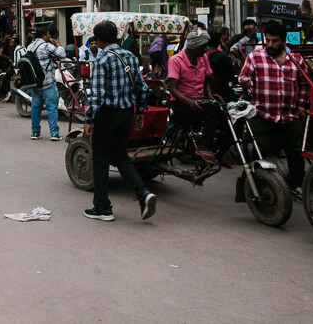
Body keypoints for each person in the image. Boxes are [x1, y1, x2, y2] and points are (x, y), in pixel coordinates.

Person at [83, 20, 157, 222]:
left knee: (101, 160)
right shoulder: (131, 57)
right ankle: (142, 193)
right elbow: (142, 87)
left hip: (107, 115)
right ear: (116, 36)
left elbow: (96, 95)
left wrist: (89, 120)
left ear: (97, 40)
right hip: (126, 113)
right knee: (121, 156)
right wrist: (141, 110)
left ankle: (102, 208)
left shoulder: (102, 60)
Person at [238, 22, 309, 194]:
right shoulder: (255, 57)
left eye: (275, 41)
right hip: (263, 114)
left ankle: (296, 186)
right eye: (267, 41)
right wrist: (246, 83)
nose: (270, 45)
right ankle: (255, 186)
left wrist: (301, 106)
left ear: (283, 41)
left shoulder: (296, 59)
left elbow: (304, 85)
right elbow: (243, 76)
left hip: (289, 115)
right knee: (261, 150)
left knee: (295, 153)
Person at [166, 28, 224, 161]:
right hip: (181, 102)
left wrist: (210, 94)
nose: (206, 49)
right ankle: (204, 146)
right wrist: (189, 102)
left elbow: (207, 79)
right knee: (213, 109)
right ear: (194, 46)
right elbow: (173, 88)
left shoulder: (203, 57)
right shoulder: (176, 60)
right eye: (203, 47)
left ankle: (218, 150)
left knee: (225, 111)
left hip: (200, 99)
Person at [27, 26, 65, 140]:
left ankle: (35, 132)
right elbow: (62, 54)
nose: (50, 37)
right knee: (52, 108)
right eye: (48, 34)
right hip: (47, 82)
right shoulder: (46, 46)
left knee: (35, 108)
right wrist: (58, 44)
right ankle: (54, 133)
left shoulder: (30, 46)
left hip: (35, 83)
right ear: (43, 35)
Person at [206, 30, 236, 104]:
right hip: (224, 90)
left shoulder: (203, 56)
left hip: (207, 92)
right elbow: (231, 74)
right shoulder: (224, 57)